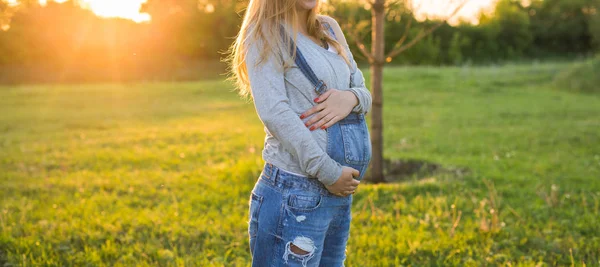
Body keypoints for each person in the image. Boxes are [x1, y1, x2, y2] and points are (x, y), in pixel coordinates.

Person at [228, 0, 372, 265]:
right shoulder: (265, 33)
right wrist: (328, 172)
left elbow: (363, 90)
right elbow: (275, 113)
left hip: (338, 194)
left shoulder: (329, 28)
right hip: (295, 192)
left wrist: (350, 97)